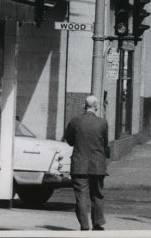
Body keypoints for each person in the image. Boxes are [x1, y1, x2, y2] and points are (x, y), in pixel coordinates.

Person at [64, 95, 110, 231]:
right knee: (97, 194)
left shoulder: (75, 121)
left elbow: (69, 140)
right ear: (96, 106)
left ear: (84, 106)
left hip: (79, 164)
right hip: (97, 165)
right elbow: (105, 143)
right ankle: (97, 223)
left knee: (81, 196)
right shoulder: (102, 123)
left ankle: (84, 226)